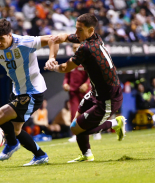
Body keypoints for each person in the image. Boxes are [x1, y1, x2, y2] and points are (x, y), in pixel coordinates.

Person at [46, 13, 126, 163]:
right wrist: (57, 38)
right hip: (95, 92)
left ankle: (115, 123)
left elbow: (65, 68)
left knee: (76, 129)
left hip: (108, 98)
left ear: (90, 31)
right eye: (76, 29)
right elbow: (65, 36)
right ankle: (87, 154)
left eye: (79, 30)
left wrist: (52, 66)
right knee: (77, 122)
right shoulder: (93, 37)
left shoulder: (86, 48)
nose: (76, 34)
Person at [0, 18, 58, 166]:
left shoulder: (25, 42)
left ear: (10, 35)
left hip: (32, 92)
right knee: (16, 129)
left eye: (1, 39)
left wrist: (51, 58)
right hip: (18, 91)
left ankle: (11, 144)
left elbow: (53, 39)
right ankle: (40, 155)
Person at [63, 43, 102, 142]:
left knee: (90, 113)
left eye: (77, 47)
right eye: (74, 48)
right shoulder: (70, 62)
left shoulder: (86, 60)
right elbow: (66, 77)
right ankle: (76, 134)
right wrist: (65, 84)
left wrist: (87, 84)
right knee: (74, 113)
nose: (75, 49)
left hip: (85, 92)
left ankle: (96, 132)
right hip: (73, 93)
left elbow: (91, 75)